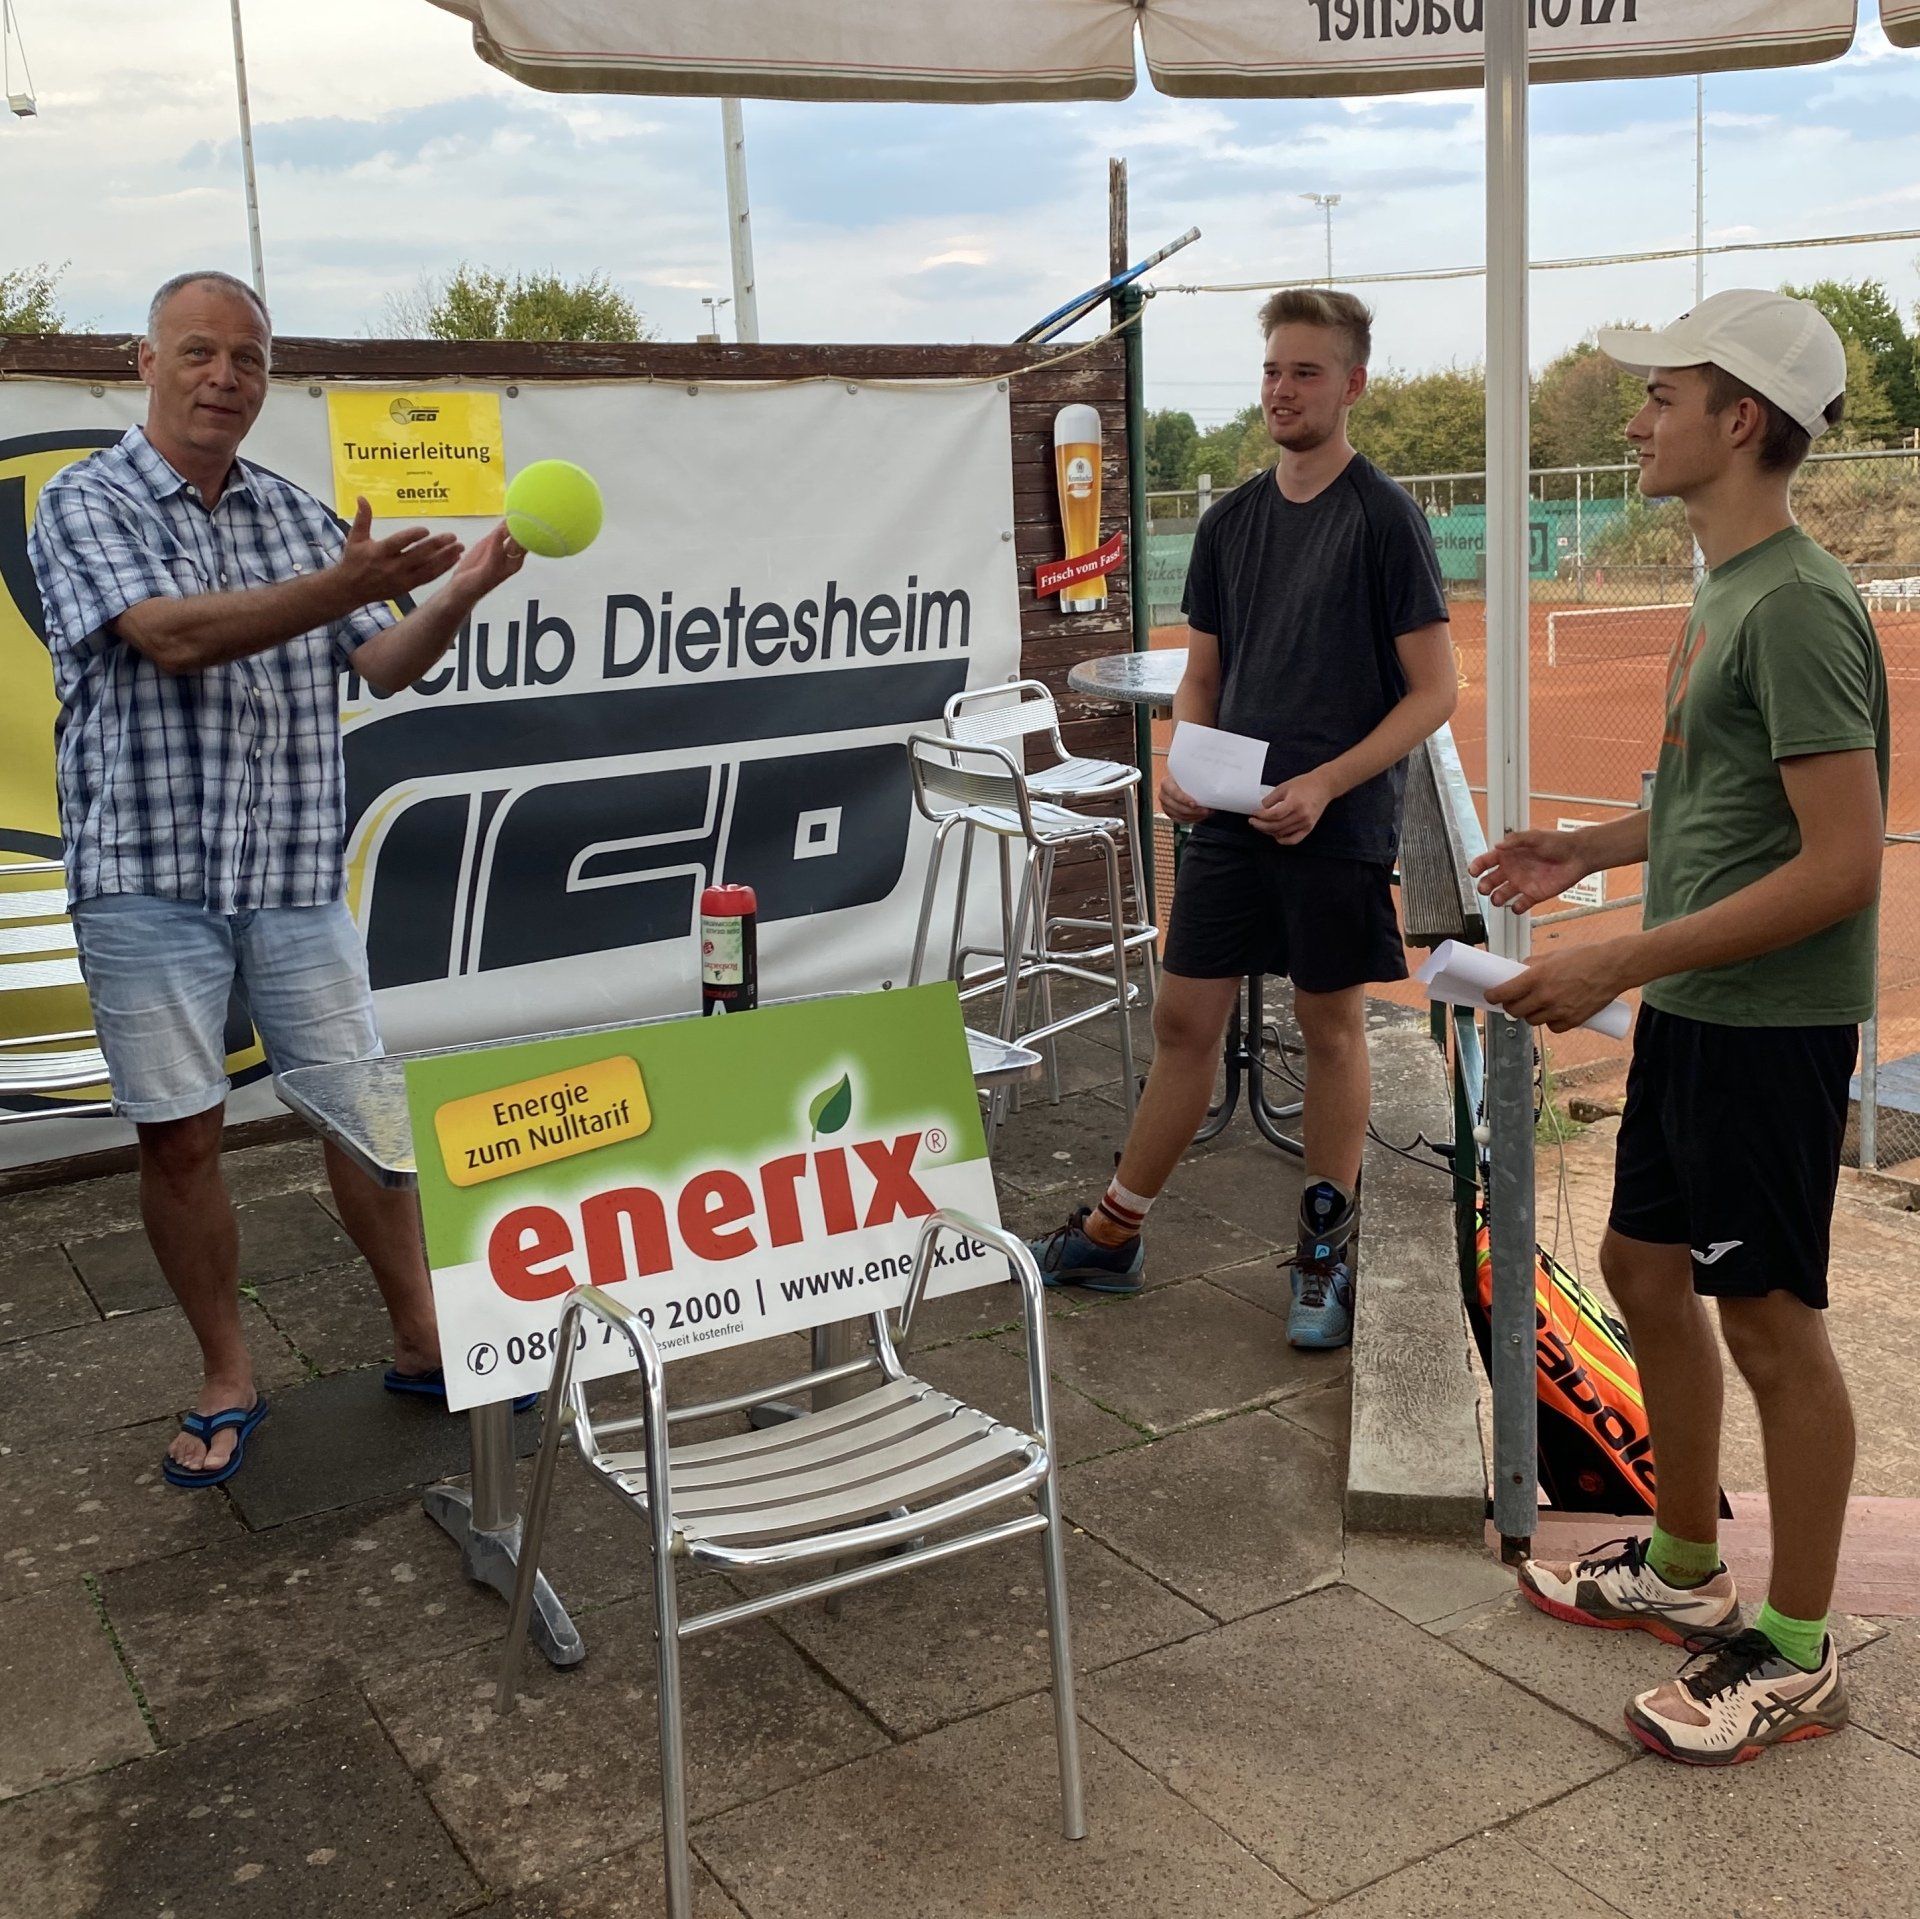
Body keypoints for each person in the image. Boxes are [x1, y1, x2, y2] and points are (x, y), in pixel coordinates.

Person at [1473, 290, 1886, 1765]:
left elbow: (1841, 861)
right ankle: (1685, 1559)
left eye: (1663, 394)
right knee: (1643, 1265)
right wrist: (1584, 852)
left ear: (1742, 419)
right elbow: (1721, 800)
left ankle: (1797, 1651)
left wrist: (1619, 956)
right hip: (1700, 1006)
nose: (1639, 419)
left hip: (1767, 1022)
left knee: (1770, 1320)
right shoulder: (1729, 588)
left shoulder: (1796, 605)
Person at [28, 269, 528, 1488]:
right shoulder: (84, 500)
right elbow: (171, 635)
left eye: (247, 358)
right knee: (181, 1140)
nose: (224, 376)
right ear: (145, 362)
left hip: (296, 873)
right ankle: (227, 1374)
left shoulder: (300, 513)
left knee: (365, 1117)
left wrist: (457, 595)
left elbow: (386, 662)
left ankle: (423, 1337)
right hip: (147, 879)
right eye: (199, 351)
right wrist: (341, 586)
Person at [1028, 288, 1456, 1348]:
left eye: (1306, 371)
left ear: (1354, 385)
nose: (1282, 390)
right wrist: (1183, 757)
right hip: (1227, 820)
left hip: (1335, 826)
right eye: (1273, 369)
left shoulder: (1386, 519)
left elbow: (1434, 691)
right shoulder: (1229, 522)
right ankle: (1116, 1232)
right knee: (1183, 1022)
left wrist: (1326, 784)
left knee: (1328, 1028)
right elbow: (1203, 675)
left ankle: (1323, 1254)